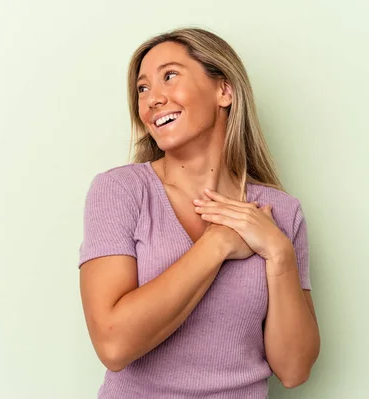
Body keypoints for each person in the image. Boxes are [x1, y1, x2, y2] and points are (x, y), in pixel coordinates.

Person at [78, 27, 320, 398]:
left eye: (169, 76)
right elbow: (114, 346)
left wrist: (279, 253)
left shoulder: (281, 213)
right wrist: (218, 243)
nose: (152, 100)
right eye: (142, 89)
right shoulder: (122, 191)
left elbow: (293, 370)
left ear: (224, 91)